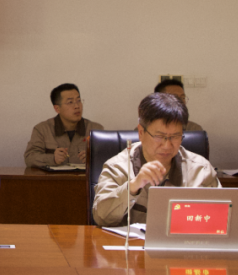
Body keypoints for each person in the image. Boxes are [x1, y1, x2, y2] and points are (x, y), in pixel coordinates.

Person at [92, 92, 219, 227]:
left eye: (175, 136)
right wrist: (133, 186)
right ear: (141, 132)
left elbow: (220, 218)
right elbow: (101, 217)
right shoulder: (118, 167)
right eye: (159, 136)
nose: (167, 145)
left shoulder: (201, 169)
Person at [23, 83, 104, 168]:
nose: (77, 106)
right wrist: (53, 159)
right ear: (57, 108)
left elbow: (109, 159)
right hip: (54, 177)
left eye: (78, 101)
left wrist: (94, 158)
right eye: (70, 102)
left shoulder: (95, 129)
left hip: (83, 177)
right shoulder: (42, 129)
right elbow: (29, 158)